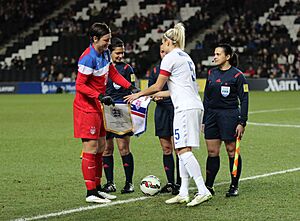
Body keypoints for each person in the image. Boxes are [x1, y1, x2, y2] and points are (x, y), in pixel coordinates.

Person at [125, 23, 212, 207]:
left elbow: (157, 86)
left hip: (184, 108)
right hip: (193, 105)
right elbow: (176, 89)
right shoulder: (185, 56)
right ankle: (183, 192)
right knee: (181, 150)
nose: (161, 47)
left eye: (162, 43)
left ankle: (202, 190)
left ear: (167, 42)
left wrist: (138, 94)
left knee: (182, 151)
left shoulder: (170, 57)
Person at [73, 23, 137, 204]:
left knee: (101, 148)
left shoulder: (105, 53)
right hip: (86, 108)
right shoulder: (87, 58)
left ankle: (98, 188)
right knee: (91, 149)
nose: (108, 44)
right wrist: (99, 95)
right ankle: (90, 192)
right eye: (106, 40)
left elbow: (113, 73)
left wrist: (129, 86)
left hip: (98, 106)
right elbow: (80, 85)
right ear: (94, 39)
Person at [203, 43, 249, 197]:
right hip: (211, 116)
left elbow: (244, 100)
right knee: (212, 151)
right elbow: (207, 98)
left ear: (227, 57)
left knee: (231, 151)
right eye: (214, 54)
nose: (214, 57)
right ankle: (208, 186)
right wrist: (204, 119)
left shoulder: (238, 75)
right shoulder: (211, 73)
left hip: (230, 116)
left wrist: (242, 122)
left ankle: (234, 185)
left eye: (218, 54)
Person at [102, 37, 136, 194]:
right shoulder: (103, 68)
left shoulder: (128, 68)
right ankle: (110, 183)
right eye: (117, 53)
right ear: (110, 52)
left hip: (122, 110)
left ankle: (129, 183)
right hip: (105, 110)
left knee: (123, 148)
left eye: (122, 52)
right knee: (107, 149)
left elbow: (133, 87)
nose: (121, 56)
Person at [148, 46, 180, 195]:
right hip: (161, 111)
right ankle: (170, 182)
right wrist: (155, 96)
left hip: (176, 109)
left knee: (179, 149)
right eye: (161, 51)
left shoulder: (178, 67)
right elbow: (151, 90)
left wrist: (163, 94)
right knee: (166, 148)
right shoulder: (155, 71)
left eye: (166, 52)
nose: (164, 54)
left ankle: (181, 182)